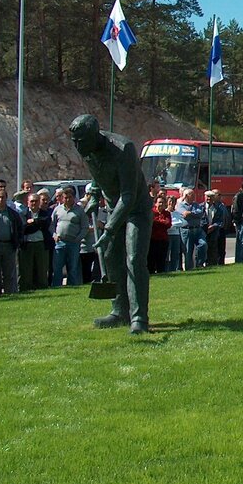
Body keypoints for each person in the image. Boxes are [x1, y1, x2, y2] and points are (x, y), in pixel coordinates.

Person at [69, 114, 153, 334]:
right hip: (113, 208)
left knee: (134, 259)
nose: (77, 146)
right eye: (74, 141)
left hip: (136, 209)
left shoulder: (123, 149)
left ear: (95, 135)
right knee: (110, 257)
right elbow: (98, 174)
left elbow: (128, 195)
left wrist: (108, 229)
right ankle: (119, 311)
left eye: (81, 141)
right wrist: (95, 195)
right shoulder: (87, 148)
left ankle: (139, 319)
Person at [50, 185, 84, 287]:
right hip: (60, 242)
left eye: (69, 197)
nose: (67, 199)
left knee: (72, 268)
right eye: (65, 197)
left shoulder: (79, 210)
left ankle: (72, 287)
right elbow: (52, 225)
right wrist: (54, 235)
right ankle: (56, 287)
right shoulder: (57, 209)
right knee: (57, 268)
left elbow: (85, 227)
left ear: (73, 197)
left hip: (73, 243)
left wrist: (78, 239)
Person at [19, 192, 52, 291]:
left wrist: (33, 222)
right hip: (27, 244)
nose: (34, 203)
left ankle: (42, 289)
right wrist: (38, 224)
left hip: (41, 244)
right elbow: (24, 228)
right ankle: (26, 289)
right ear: (28, 202)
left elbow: (45, 224)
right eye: (32, 201)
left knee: (42, 270)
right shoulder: (23, 214)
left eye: (36, 201)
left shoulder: (45, 213)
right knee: (26, 270)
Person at [173, 186, 205, 270]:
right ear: (186, 196)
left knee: (203, 244)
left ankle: (199, 264)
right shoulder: (180, 206)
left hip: (198, 229)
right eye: (192, 194)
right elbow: (184, 215)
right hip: (186, 230)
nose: (194, 196)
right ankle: (189, 269)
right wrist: (194, 215)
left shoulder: (196, 204)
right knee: (188, 251)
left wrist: (190, 213)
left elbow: (200, 213)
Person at [204, 190, 228, 266]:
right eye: (207, 197)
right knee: (203, 247)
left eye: (211, 197)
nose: (209, 199)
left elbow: (220, 221)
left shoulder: (218, 208)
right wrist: (206, 227)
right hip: (203, 231)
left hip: (214, 232)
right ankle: (202, 264)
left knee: (213, 248)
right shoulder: (201, 207)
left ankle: (212, 264)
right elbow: (200, 219)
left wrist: (213, 226)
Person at [148, 194, 171, 274]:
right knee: (151, 260)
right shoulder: (151, 212)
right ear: (155, 203)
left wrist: (158, 222)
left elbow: (168, 224)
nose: (161, 204)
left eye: (163, 202)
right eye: (159, 202)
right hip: (153, 240)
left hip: (163, 240)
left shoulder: (167, 213)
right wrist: (162, 222)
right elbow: (152, 223)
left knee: (161, 261)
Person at [164, 195, 182, 272]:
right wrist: (174, 224)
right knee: (167, 254)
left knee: (175, 253)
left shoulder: (177, 213)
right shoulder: (165, 212)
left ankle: (174, 269)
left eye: (173, 202)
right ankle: (166, 269)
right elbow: (166, 224)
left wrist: (173, 225)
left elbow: (183, 222)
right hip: (168, 235)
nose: (171, 203)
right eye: (170, 201)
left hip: (176, 235)